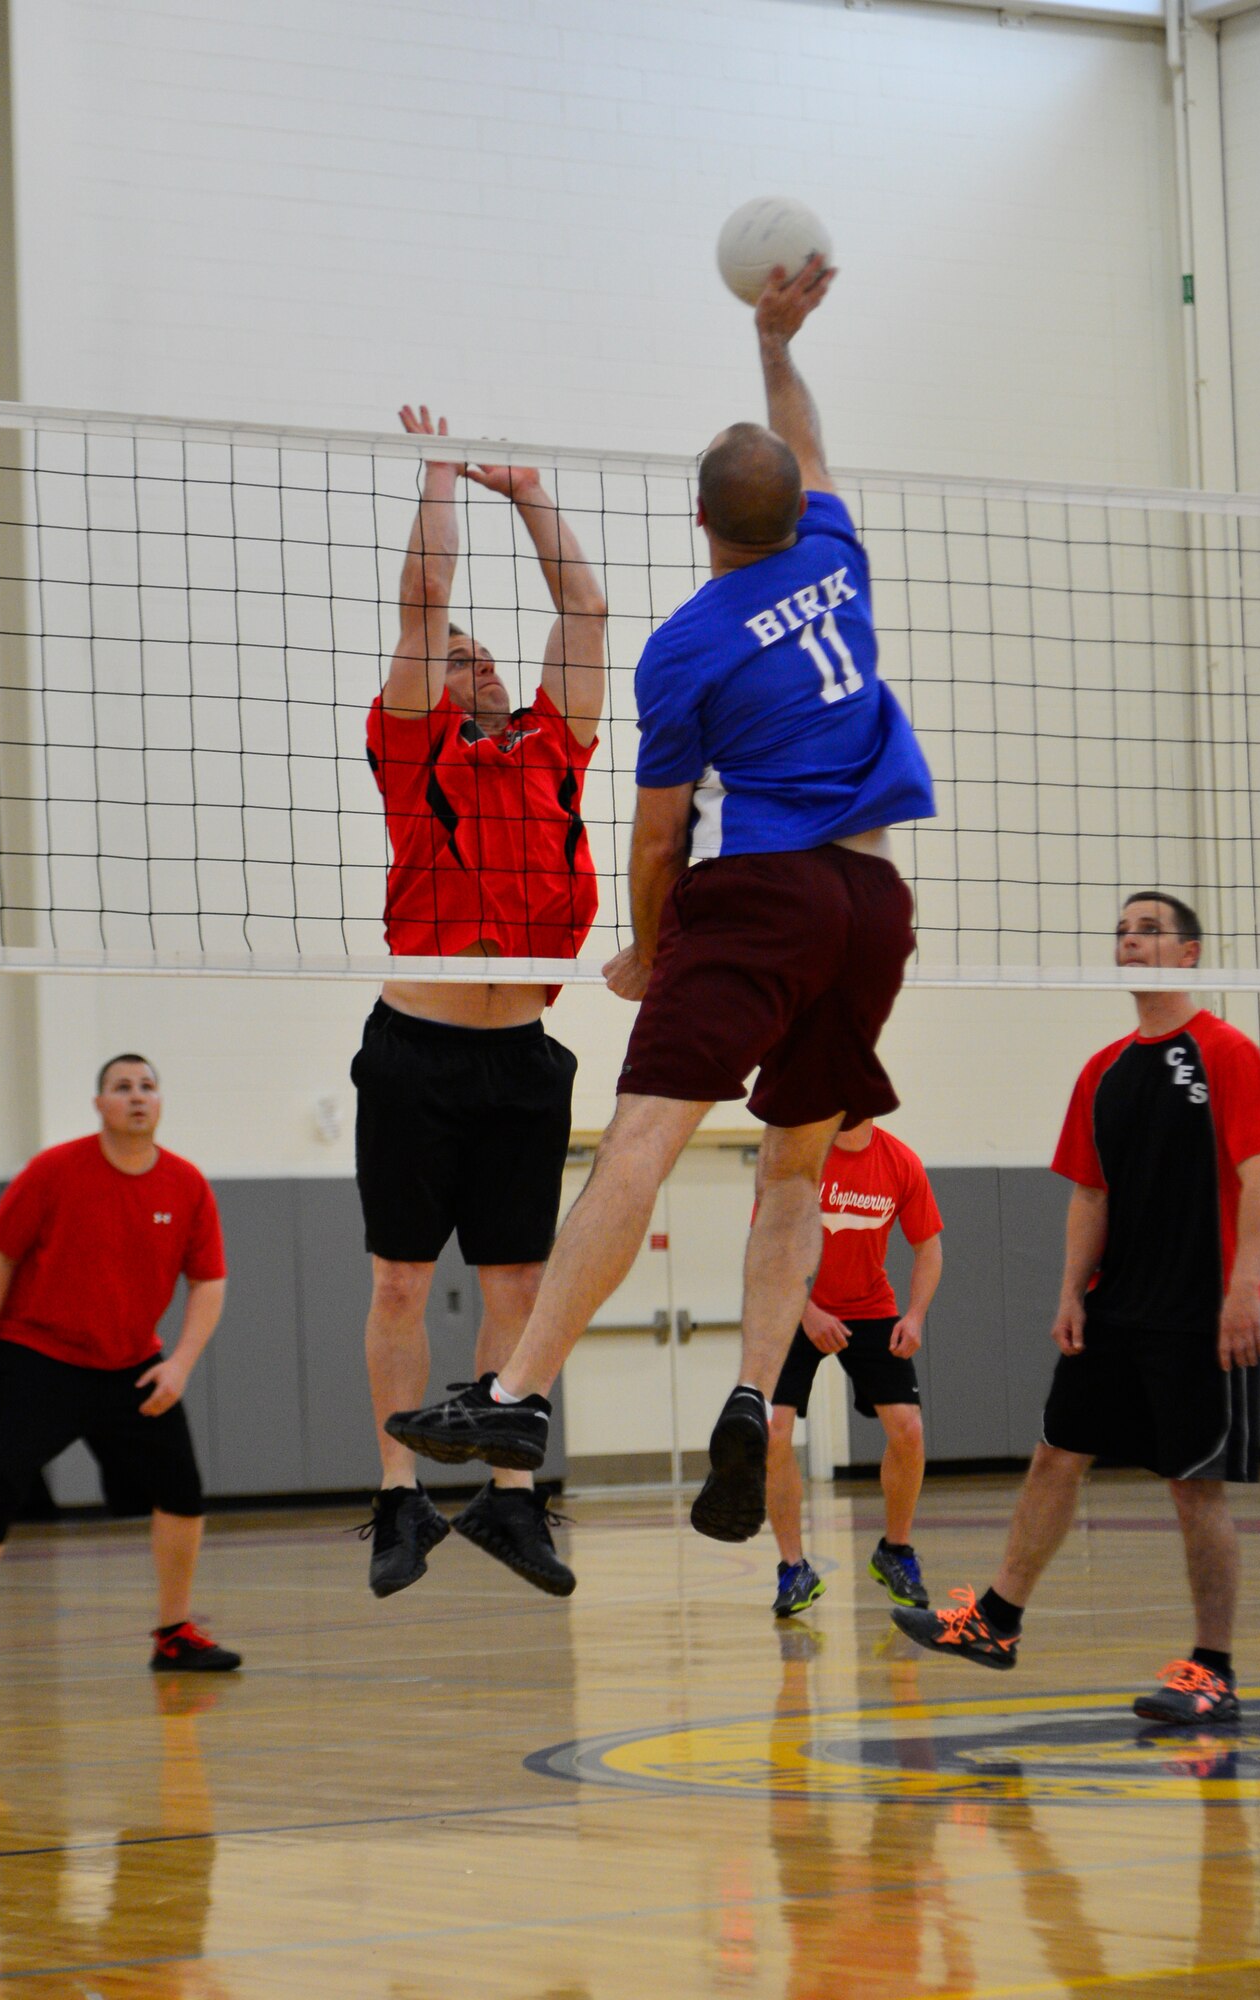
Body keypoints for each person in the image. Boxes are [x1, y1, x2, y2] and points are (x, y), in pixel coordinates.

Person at [387, 258, 936, 1554]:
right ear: (798, 508)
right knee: (794, 1160)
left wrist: (652, 939)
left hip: (766, 902)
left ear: (700, 520)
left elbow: (656, 832)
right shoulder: (838, 553)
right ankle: (755, 1397)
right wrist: (776, 342)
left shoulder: (686, 644)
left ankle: (515, 1397)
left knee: (639, 1144)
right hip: (876, 905)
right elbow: (804, 441)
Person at [893, 893, 1260, 1727]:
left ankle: (1213, 1669)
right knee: (1054, 1455)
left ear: (1191, 955)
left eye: (1150, 930)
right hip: (1116, 1312)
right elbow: (1090, 1191)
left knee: (1196, 1491)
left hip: (1199, 1314)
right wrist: (1071, 1291)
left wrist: (1243, 1290)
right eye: (1122, 931)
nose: (1131, 941)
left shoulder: (1228, 1053)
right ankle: (997, 1622)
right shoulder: (1103, 1070)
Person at [355, 405, 607, 1600]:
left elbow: (586, 613)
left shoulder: (556, 745)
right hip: (416, 1050)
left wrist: (527, 489)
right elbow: (421, 599)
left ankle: (514, 1501)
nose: (481, 663)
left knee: (519, 1288)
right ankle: (398, 1494)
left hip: (524, 1058)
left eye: (485, 653)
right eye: (458, 658)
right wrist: (444, 480)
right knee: (401, 1281)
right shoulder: (414, 753)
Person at [0, 1056, 239, 1682]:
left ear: (159, 1102)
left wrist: (181, 1365)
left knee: (182, 1493)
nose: (137, 1097)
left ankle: (173, 1635)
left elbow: (210, 1283)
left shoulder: (187, 1184)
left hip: (132, 1365)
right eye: (122, 1087)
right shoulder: (54, 1171)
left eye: (147, 1086)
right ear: (99, 1104)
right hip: (38, 1357)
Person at [768, 1119, 942, 1616]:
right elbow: (771, 1245)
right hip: (794, 1305)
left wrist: (914, 1315)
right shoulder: (799, 1155)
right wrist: (808, 1311)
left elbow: (928, 1246)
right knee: (774, 1432)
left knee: (908, 1428)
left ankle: (896, 1551)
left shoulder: (900, 1161)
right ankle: (793, 1568)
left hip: (869, 1307)